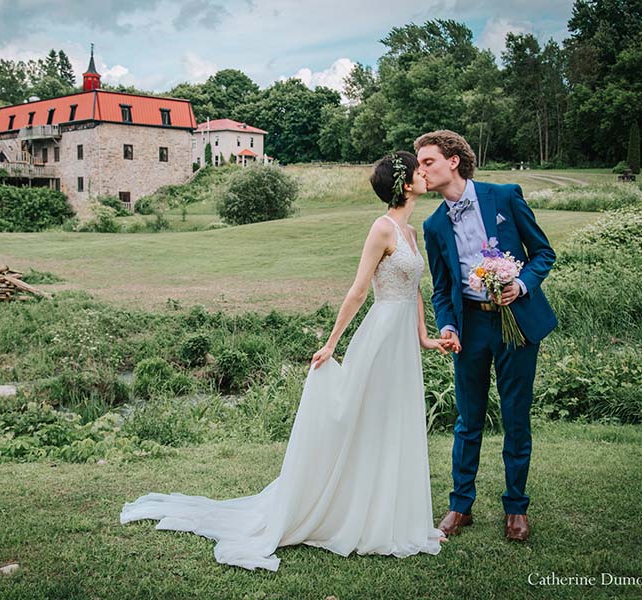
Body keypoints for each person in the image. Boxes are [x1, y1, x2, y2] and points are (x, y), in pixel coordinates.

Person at [120, 150, 452, 571]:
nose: (425, 175)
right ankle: (360, 516)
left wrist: (424, 337)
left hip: (403, 339)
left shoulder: (411, 233)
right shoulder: (382, 228)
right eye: (417, 170)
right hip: (381, 337)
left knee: (396, 420)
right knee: (368, 419)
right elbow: (357, 291)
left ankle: (395, 518)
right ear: (404, 183)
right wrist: (332, 343)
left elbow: (413, 289)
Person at [417, 130, 557, 543]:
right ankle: (461, 505)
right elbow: (443, 288)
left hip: (516, 322)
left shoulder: (505, 196)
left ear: (454, 161)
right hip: (470, 329)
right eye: (420, 164)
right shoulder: (433, 224)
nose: (421, 171)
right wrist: (447, 325)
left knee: (516, 418)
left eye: (428, 162)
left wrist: (523, 285)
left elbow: (543, 253)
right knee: (467, 420)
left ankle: (516, 508)